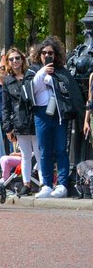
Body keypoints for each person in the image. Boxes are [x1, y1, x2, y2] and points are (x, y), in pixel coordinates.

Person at [29, 37, 80, 198]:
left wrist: (54, 80)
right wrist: (43, 72)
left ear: (55, 55)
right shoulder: (33, 70)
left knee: (60, 150)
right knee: (44, 151)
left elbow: (69, 90)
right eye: (44, 53)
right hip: (41, 113)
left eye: (50, 53)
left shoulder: (62, 71)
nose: (47, 56)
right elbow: (31, 91)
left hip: (59, 114)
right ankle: (46, 184)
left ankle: (62, 184)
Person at [0, 47, 36, 193]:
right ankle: (26, 184)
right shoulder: (8, 81)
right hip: (19, 122)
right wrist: (7, 127)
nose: (15, 61)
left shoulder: (30, 75)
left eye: (17, 58)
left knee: (40, 153)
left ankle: (44, 181)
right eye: (11, 59)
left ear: (22, 59)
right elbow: (6, 106)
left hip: (34, 118)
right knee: (26, 154)